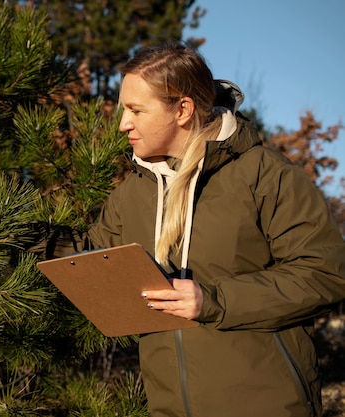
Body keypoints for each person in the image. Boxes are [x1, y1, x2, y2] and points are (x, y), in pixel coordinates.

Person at [84, 42, 345, 417]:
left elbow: (325, 273)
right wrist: (23, 238)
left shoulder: (263, 174)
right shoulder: (135, 190)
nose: (123, 122)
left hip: (265, 405)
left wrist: (214, 301)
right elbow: (92, 256)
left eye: (136, 110)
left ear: (183, 110)